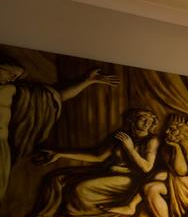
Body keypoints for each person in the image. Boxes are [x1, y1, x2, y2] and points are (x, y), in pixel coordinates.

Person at [0, 56, 119, 208]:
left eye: (16, 76)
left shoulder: (11, 90)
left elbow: (55, 96)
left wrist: (87, 81)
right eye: (10, 73)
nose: (13, 78)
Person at [11, 108, 159, 217]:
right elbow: (98, 157)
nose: (147, 123)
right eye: (143, 119)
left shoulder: (151, 141)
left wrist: (130, 149)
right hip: (109, 172)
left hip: (130, 179)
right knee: (57, 178)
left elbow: (146, 168)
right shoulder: (121, 136)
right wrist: (60, 154)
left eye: (150, 120)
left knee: (81, 188)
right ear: (132, 119)